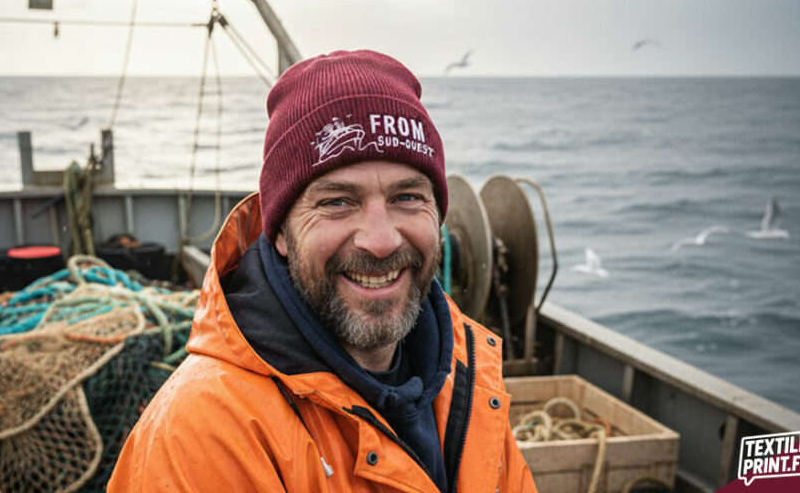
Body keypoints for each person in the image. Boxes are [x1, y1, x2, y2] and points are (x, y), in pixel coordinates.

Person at [108, 50, 536, 492]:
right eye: (337, 202)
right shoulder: (203, 435)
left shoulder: (468, 377)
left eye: (407, 197)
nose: (381, 240)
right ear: (280, 232)